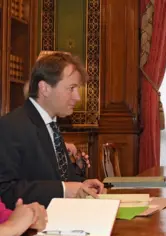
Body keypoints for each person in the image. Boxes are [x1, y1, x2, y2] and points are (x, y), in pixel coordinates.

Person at [0, 52, 104, 209]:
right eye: (71, 88)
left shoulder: (51, 125)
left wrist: (81, 184)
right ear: (45, 88)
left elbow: (58, 176)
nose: (78, 97)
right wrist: (63, 189)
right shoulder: (11, 126)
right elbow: (5, 191)